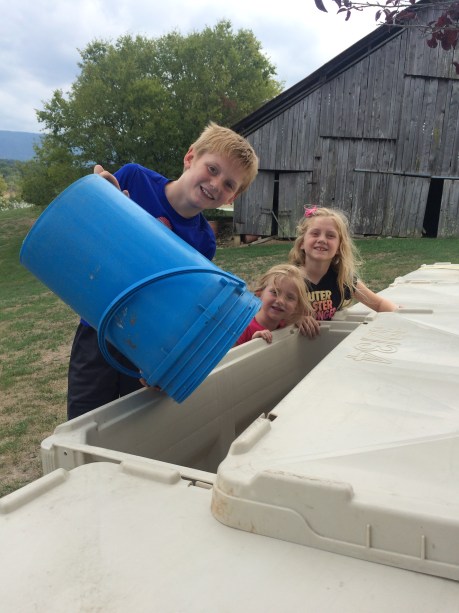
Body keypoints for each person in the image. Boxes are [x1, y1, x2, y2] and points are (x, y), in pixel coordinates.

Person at [67, 122, 259, 419]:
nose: (216, 184)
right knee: (84, 423)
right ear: (190, 157)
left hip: (143, 343)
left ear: (231, 198)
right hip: (97, 327)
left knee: (135, 425)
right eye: (212, 169)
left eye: (229, 185)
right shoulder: (134, 179)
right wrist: (100, 199)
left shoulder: (204, 242)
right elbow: (87, 232)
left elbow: (178, 302)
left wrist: (163, 361)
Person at [289, 206, 399, 339]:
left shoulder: (343, 278)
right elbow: (269, 313)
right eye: (315, 233)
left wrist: (402, 317)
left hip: (328, 344)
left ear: (338, 247)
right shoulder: (287, 279)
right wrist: (294, 318)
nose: (322, 239)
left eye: (330, 236)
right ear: (302, 242)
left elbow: (379, 304)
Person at [236, 264, 312, 346]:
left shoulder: (287, 324)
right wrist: (253, 345)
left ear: (296, 307)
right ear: (259, 293)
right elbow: (230, 354)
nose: (280, 301)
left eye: (290, 297)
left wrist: (302, 320)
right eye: (274, 292)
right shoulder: (242, 328)